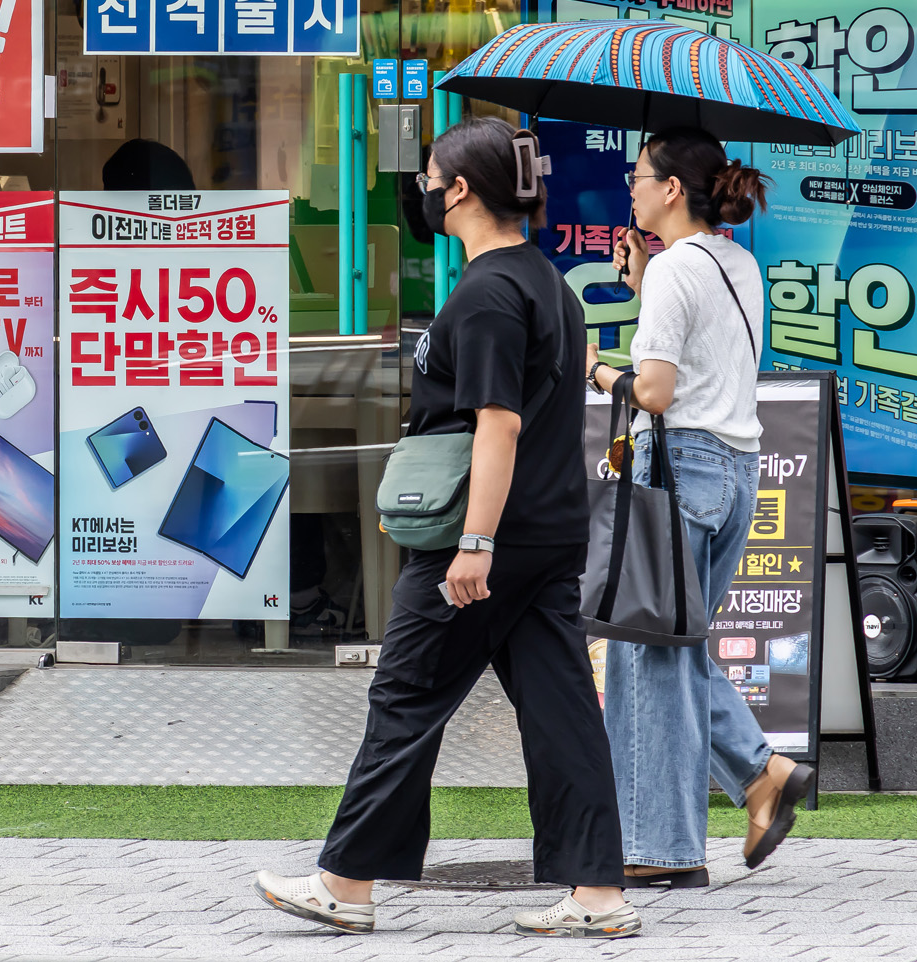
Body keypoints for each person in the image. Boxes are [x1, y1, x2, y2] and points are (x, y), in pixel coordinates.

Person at [253, 116, 637, 940]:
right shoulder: (549, 284)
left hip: (486, 536)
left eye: (431, 175)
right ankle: (599, 893)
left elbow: (497, 423)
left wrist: (474, 542)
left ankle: (345, 884)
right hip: (548, 530)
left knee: (407, 693)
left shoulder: (490, 292)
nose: (423, 188)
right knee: (562, 709)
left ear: (458, 190)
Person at [585, 126, 812, 889]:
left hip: (680, 465)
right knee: (674, 643)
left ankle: (661, 846)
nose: (631, 188)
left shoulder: (678, 269)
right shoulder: (735, 262)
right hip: (736, 469)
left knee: (646, 649)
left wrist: (595, 368)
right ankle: (759, 774)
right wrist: (648, 275)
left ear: (671, 189)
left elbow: (654, 392)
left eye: (639, 177)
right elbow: (705, 343)